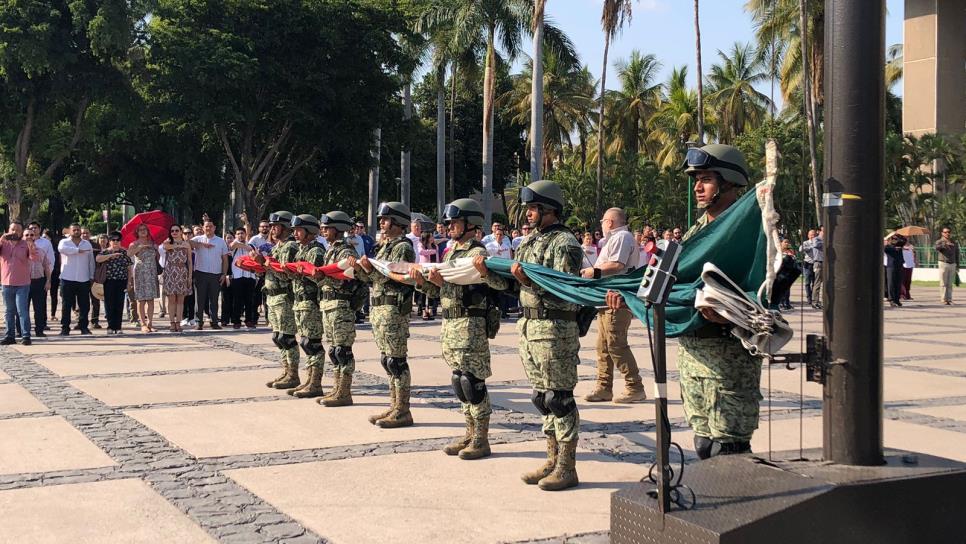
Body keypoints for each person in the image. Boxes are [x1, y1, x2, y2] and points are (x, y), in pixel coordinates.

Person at [676, 143, 761, 459]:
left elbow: (765, 294)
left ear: (728, 182)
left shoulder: (752, 230)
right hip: (693, 353)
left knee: (729, 449)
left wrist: (729, 314)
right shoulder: (697, 231)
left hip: (729, 358)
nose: (697, 187)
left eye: (706, 179)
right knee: (703, 445)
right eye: (695, 179)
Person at [411, 198, 508, 459]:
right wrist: (425, 282)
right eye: (449, 222)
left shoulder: (479, 253)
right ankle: (468, 432)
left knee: (472, 381)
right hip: (451, 323)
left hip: (470, 323)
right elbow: (443, 289)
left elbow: (501, 285)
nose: (449, 226)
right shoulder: (451, 252)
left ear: (470, 224)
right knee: (458, 380)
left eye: (454, 222)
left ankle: (481, 438)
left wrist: (485, 273)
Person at [512, 180, 583, 491]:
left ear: (548, 209)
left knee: (560, 398)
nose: (528, 214)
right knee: (542, 398)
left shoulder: (565, 243)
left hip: (555, 329)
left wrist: (528, 280)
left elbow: (564, 288)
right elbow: (511, 283)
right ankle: (552, 458)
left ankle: (567, 466)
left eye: (533, 209)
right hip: (529, 328)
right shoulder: (528, 242)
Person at [353, 201, 417, 428]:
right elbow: (373, 278)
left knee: (396, 361)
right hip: (380, 308)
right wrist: (361, 271)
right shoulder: (385, 246)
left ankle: (403, 410)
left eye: (386, 219)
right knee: (386, 360)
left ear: (398, 223)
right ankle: (394, 405)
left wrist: (370, 270)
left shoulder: (403, 247)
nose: (382, 222)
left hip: (393, 309)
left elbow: (394, 275)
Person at [581, 207, 646, 404]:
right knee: (603, 346)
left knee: (616, 344)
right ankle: (604, 387)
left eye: (603, 221)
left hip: (616, 298)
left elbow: (617, 265)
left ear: (609, 222)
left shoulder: (622, 237)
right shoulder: (616, 238)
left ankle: (634, 386)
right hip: (606, 298)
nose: (601, 224)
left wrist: (594, 272)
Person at [313, 211, 360, 407]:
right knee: (334, 350)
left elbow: (346, 280)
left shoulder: (346, 252)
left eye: (327, 227)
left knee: (343, 350)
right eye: (322, 227)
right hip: (329, 305)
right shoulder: (330, 250)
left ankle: (344, 391)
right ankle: (336, 388)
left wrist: (322, 276)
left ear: (339, 229)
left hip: (341, 305)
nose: (323, 230)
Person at [256, 212, 301, 389]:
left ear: (285, 227)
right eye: (271, 225)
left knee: (287, 337)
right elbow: (269, 269)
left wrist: (266, 264)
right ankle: (286, 370)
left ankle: (293, 373)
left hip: (284, 296)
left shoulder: (290, 247)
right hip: (272, 296)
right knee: (278, 337)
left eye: (276, 225)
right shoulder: (277, 247)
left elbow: (285, 275)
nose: (272, 228)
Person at [285, 214, 327, 399]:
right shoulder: (303, 249)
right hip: (300, 301)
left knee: (312, 343)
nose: (295, 233)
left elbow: (318, 277)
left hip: (311, 302)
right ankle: (309, 380)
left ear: (310, 232)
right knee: (305, 342)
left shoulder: (315, 251)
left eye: (298, 230)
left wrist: (304, 273)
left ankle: (315, 383)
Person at [0, 222, 39, 345]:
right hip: (6, 283)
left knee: (22, 311)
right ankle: (9, 336)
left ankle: (26, 336)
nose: (14, 232)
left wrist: (32, 248)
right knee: (9, 311)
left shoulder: (25, 244)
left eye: (17, 230)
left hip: (22, 283)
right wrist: (1, 239)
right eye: (12, 229)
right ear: (8, 230)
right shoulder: (3, 243)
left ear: (21, 232)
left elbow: (34, 259)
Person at [189, 220, 229, 330]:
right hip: (200, 273)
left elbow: (225, 259)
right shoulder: (198, 239)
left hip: (216, 274)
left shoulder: (220, 241)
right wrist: (202, 244)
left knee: (214, 299)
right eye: (206, 226)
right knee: (200, 299)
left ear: (214, 227)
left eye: (210, 226)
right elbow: (187, 242)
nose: (208, 228)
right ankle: (199, 321)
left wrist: (224, 273)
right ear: (203, 227)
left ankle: (214, 321)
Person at [57, 224, 94, 335]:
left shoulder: (86, 244)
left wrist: (92, 276)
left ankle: (84, 327)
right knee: (66, 305)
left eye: (78, 230)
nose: (77, 231)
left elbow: (91, 261)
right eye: (74, 230)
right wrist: (78, 250)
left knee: (84, 305)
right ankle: (65, 328)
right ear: (70, 231)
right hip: (67, 277)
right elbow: (61, 249)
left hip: (84, 278)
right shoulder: (64, 242)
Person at [96, 233, 133, 334]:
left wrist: (129, 282)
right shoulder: (105, 252)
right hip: (109, 281)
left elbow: (129, 269)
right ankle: (110, 326)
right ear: (110, 241)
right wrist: (111, 255)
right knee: (109, 304)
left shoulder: (124, 253)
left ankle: (118, 326)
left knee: (119, 303)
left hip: (122, 280)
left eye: (118, 240)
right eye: (113, 240)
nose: (115, 242)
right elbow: (98, 259)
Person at [127, 224, 160, 333]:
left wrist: (156, 249)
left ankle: (150, 323)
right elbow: (129, 254)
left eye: (144, 229)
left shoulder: (152, 243)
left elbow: (158, 258)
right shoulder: (134, 243)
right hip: (140, 272)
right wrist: (139, 247)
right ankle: (143, 324)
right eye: (140, 230)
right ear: (137, 232)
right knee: (141, 300)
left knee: (150, 299)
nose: (143, 231)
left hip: (151, 272)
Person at [161, 226, 193, 332]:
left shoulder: (187, 244)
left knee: (180, 300)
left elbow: (189, 261)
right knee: (171, 300)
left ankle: (178, 322)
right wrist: (177, 244)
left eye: (177, 230)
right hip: (170, 271)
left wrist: (190, 276)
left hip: (182, 271)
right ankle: (171, 322)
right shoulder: (167, 242)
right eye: (172, 231)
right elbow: (166, 247)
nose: (174, 232)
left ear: (180, 232)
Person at [227, 227, 257, 329]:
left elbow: (255, 257)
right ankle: (236, 321)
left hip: (250, 275)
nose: (240, 235)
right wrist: (246, 247)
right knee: (237, 300)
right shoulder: (235, 245)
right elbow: (233, 245)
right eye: (238, 233)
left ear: (245, 234)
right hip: (237, 276)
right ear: (235, 235)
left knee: (249, 300)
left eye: (242, 233)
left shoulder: (251, 245)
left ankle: (249, 320)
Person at [24, 227, 51, 338]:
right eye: (27, 235)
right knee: (23, 308)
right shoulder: (20, 251)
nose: (29, 237)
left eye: (32, 235)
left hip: (39, 281)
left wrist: (48, 281)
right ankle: (23, 330)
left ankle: (39, 330)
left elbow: (46, 267)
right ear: (23, 237)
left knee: (39, 308)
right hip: (24, 282)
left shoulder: (41, 251)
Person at [416, 231, 438, 320]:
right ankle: (424, 310)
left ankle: (431, 309)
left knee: (431, 291)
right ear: (427, 238)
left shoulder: (435, 246)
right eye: (431, 237)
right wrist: (432, 251)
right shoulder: (421, 245)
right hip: (423, 270)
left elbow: (436, 257)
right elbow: (421, 252)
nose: (433, 238)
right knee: (423, 291)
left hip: (432, 270)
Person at [935, 227, 959, 305]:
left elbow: (957, 254)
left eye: (948, 232)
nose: (947, 233)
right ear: (942, 233)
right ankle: (943, 299)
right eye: (945, 232)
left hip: (952, 264)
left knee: (950, 283)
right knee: (943, 283)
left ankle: (949, 299)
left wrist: (957, 265)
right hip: (943, 263)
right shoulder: (939, 241)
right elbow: (936, 248)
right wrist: (944, 244)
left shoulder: (954, 242)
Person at [884, 235, 904, 308]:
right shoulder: (888, 247)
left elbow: (903, 240)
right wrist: (893, 247)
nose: (895, 240)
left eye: (896, 239)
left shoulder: (900, 245)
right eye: (894, 239)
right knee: (891, 283)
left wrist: (899, 234)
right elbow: (884, 248)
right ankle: (891, 300)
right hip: (891, 266)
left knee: (898, 283)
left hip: (899, 265)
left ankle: (897, 299)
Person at [799, 229, 817, 306]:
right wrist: (811, 247)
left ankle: (814, 298)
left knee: (815, 283)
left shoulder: (818, 242)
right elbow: (800, 249)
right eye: (811, 235)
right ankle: (809, 298)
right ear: (808, 236)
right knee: (807, 282)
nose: (812, 236)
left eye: (814, 235)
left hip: (816, 264)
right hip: (808, 264)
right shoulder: (805, 243)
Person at [810, 227, 824, 309]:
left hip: (825, 263)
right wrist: (823, 240)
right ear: (819, 231)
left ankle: (821, 301)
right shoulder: (816, 239)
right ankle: (815, 302)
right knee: (817, 283)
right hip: (818, 263)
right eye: (823, 231)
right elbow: (815, 245)